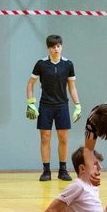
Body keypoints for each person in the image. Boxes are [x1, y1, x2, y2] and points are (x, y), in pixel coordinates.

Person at [26, 35, 81, 181]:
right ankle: (46, 171)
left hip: (62, 105)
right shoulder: (41, 64)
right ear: (48, 48)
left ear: (61, 47)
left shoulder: (68, 64)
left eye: (58, 46)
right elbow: (30, 84)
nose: (56, 49)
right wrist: (30, 102)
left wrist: (78, 105)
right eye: (53, 47)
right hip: (45, 106)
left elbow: (72, 87)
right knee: (45, 138)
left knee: (63, 138)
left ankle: (63, 170)